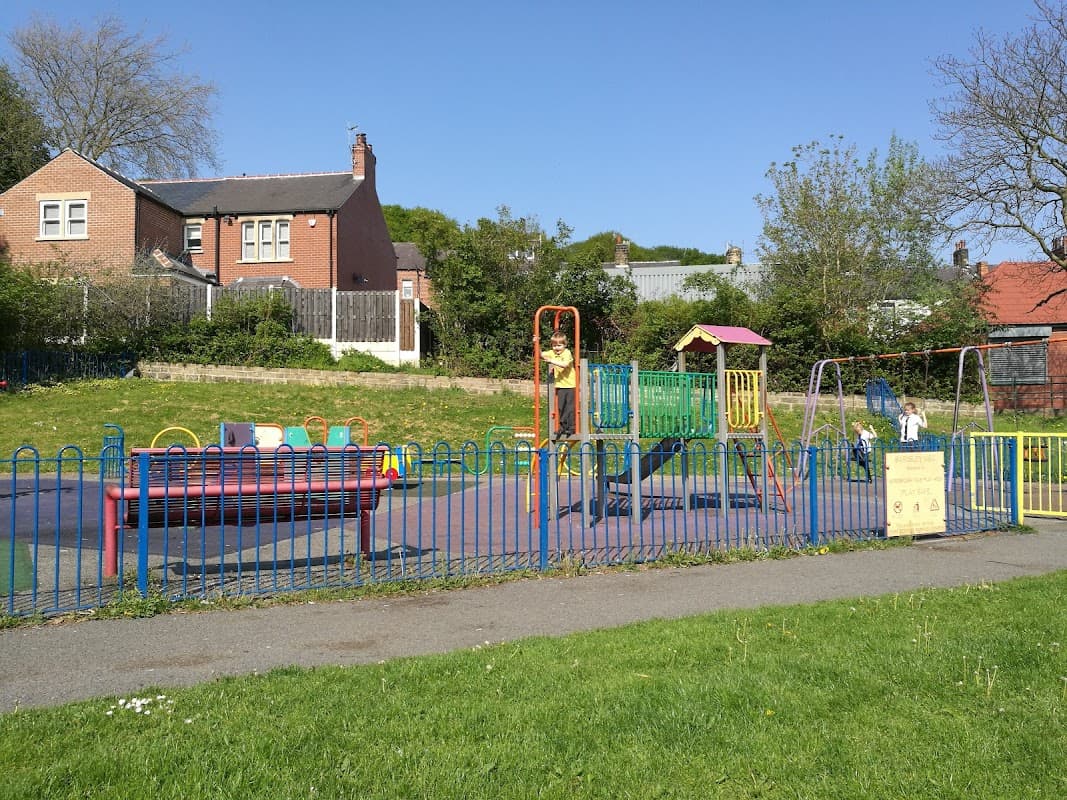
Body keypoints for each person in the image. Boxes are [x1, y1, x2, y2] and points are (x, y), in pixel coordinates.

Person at [540, 331, 575, 441]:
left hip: (570, 384)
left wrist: (551, 361)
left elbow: (564, 365)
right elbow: (540, 355)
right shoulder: (552, 353)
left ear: (565, 345)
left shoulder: (567, 353)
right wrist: (536, 343)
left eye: (559, 345)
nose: (557, 348)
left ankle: (571, 428)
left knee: (569, 407)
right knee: (560, 407)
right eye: (554, 345)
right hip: (560, 385)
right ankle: (563, 427)